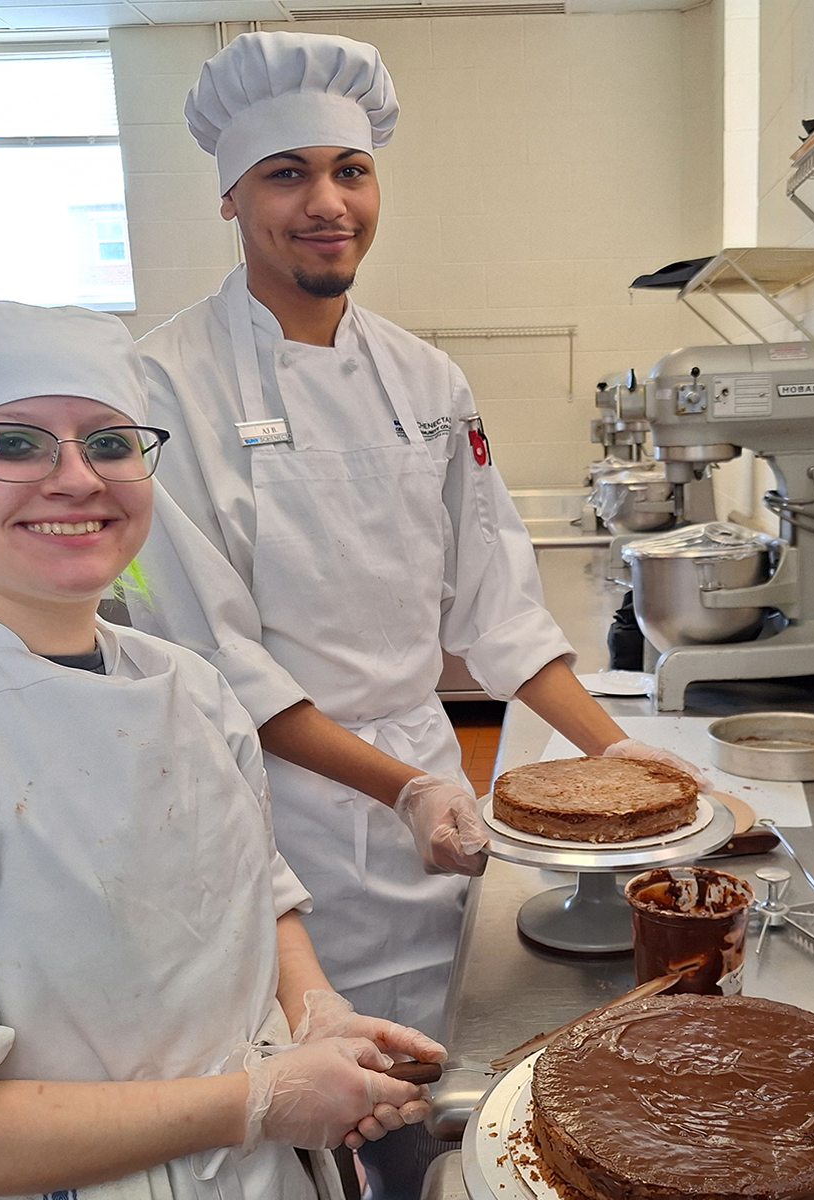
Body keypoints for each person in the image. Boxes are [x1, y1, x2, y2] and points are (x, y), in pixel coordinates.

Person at [129, 32, 707, 1196]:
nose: (328, 202)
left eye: (351, 170)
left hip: (432, 813)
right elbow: (218, 658)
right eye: (287, 174)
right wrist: (398, 786)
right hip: (270, 817)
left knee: (436, 1088)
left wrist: (629, 761)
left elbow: (497, 606)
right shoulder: (162, 387)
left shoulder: (426, 382)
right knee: (313, 1111)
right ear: (231, 195)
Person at [0, 302, 443, 1200]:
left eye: (107, 443)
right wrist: (258, 1100)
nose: (76, 478)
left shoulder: (189, 686)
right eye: (13, 444)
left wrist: (316, 1015)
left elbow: (256, 894)